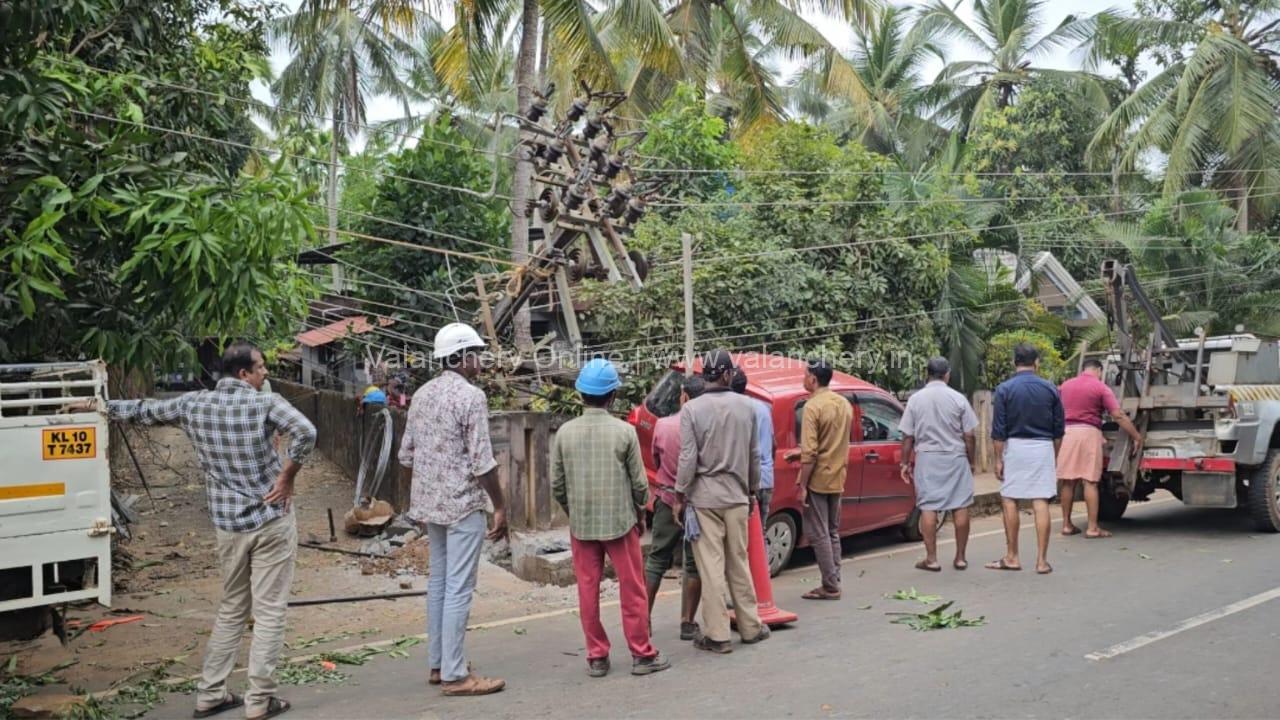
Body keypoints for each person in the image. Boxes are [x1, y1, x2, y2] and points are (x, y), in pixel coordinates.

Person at [105, 342, 316, 720]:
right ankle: (258, 701)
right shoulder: (265, 403)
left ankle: (210, 694)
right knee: (269, 612)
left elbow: (142, 411)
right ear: (243, 374)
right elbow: (307, 432)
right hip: (271, 520)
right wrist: (287, 475)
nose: (265, 372)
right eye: (261, 367)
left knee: (233, 608)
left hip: (228, 526)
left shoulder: (192, 404)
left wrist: (98, 408)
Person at [398, 323, 507, 696]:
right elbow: (482, 462)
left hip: (431, 506)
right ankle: (456, 676)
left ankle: (438, 664)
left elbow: (405, 454)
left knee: (439, 585)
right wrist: (501, 506)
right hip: (462, 505)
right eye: (476, 353)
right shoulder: (471, 397)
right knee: (459, 588)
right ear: (462, 358)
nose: (480, 361)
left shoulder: (422, 395)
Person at [552, 359, 671, 678]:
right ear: (613, 395)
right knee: (632, 589)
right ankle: (642, 654)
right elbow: (639, 484)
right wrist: (640, 513)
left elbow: (557, 485)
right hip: (621, 523)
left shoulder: (564, 433)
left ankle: (597, 657)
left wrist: (573, 509)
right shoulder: (624, 432)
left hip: (583, 525)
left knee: (587, 591)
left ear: (580, 395)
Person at [673, 350, 769, 653]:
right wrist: (752, 492)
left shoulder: (692, 410)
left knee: (711, 567)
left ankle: (717, 635)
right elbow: (754, 455)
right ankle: (751, 627)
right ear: (727, 375)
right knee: (738, 562)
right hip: (738, 496)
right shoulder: (748, 407)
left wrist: (679, 494)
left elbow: (688, 457)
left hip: (704, 499)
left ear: (704, 376)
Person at [988, 343, 1065, 575]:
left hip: (1015, 447)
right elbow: (1059, 429)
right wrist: (1054, 455)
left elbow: (998, 430)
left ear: (1014, 363)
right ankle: (1042, 561)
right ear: (1037, 363)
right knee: (1040, 501)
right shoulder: (1050, 389)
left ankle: (1012, 556)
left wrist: (999, 459)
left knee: (1010, 499)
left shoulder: (1004, 389)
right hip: (1042, 447)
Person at [899, 358, 978, 572]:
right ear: (947, 374)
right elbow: (969, 435)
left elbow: (907, 436)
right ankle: (960, 557)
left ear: (928, 374)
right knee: (960, 504)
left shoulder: (915, 400)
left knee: (928, 506)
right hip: (955, 457)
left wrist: (904, 462)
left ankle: (931, 559)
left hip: (927, 458)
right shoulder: (958, 398)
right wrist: (971, 461)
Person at [783, 359, 852, 600]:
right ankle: (834, 578)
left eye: (805, 375)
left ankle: (830, 585)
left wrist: (802, 484)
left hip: (819, 477)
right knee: (832, 530)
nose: (803, 379)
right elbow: (831, 442)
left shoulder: (812, 407)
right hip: (838, 474)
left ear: (813, 379)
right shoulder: (843, 404)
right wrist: (800, 452)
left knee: (818, 532)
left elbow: (812, 452)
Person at [646, 375, 705, 642]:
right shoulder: (706, 427)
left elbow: (655, 459)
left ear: (683, 396)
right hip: (698, 502)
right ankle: (687, 622)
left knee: (657, 559)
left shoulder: (663, 425)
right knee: (693, 564)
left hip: (667, 498)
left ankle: (643, 619)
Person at [1057, 359, 1143, 538]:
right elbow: (1117, 415)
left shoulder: (1065, 386)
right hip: (1089, 433)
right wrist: (1136, 436)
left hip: (1068, 433)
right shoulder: (1100, 387)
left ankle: (1066, 525)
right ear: (1098, 370)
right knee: (1090, 481)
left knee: (1068, 481)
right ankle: (1092, 528)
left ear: (1083, 369)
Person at [731, 368, 775, 521]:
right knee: (759, 536)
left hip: (747, 481)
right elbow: (773, 444)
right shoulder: (763, 407)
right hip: (767, 479)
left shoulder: (734, 410)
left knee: (741, 536)